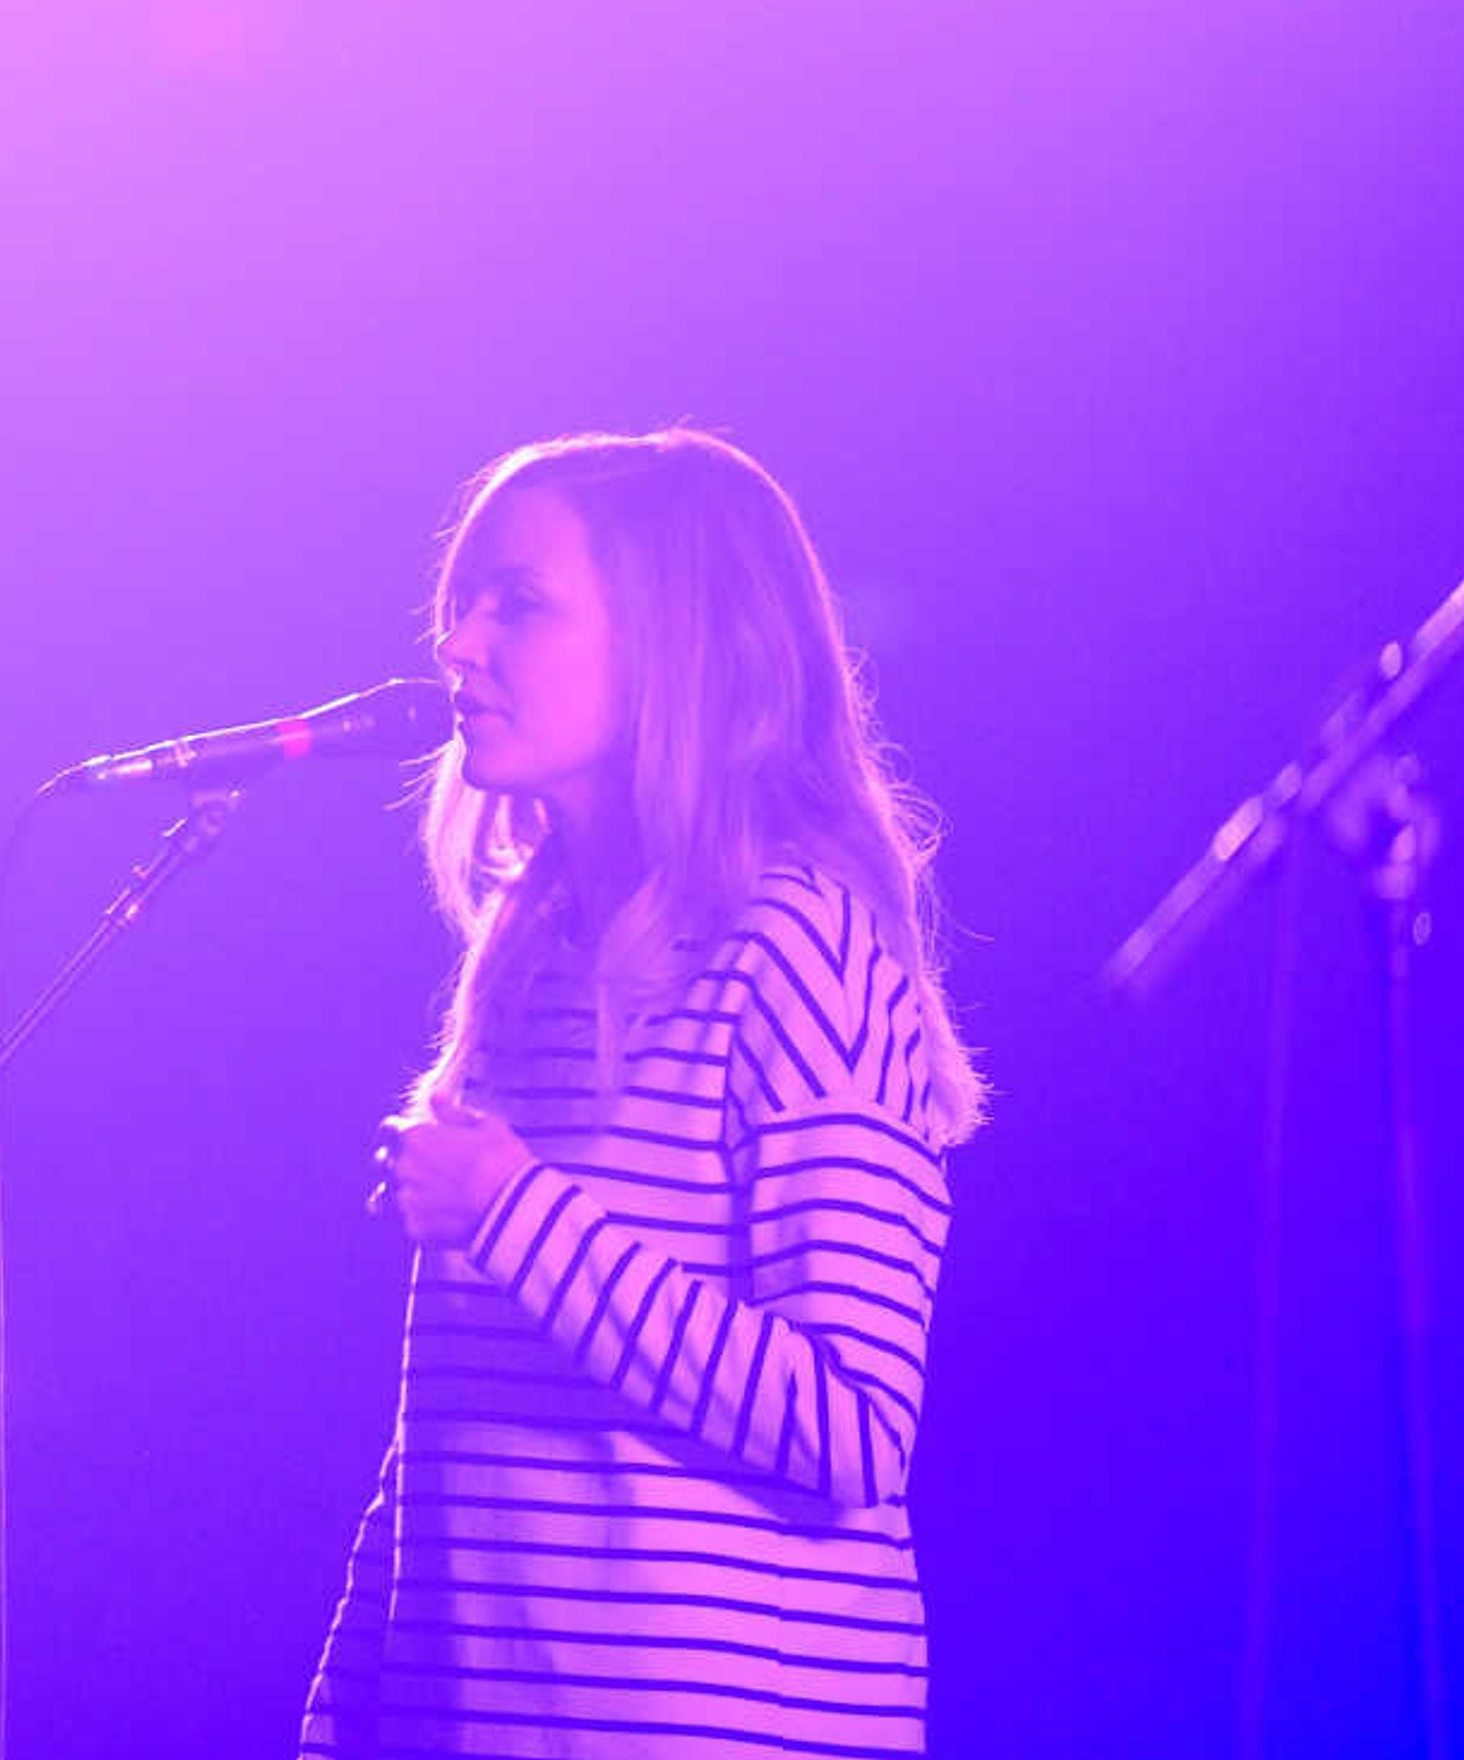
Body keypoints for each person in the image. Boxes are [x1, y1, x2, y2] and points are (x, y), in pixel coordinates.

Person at [298, 428, 984, 1757]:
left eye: (520, 602)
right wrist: (347, 1720)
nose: (459, 644)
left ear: (670, 643)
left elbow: (851, 1425)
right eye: (463, 602)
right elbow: (449, 1432)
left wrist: (516, 1213)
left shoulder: (797, 946)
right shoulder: (529, 952)